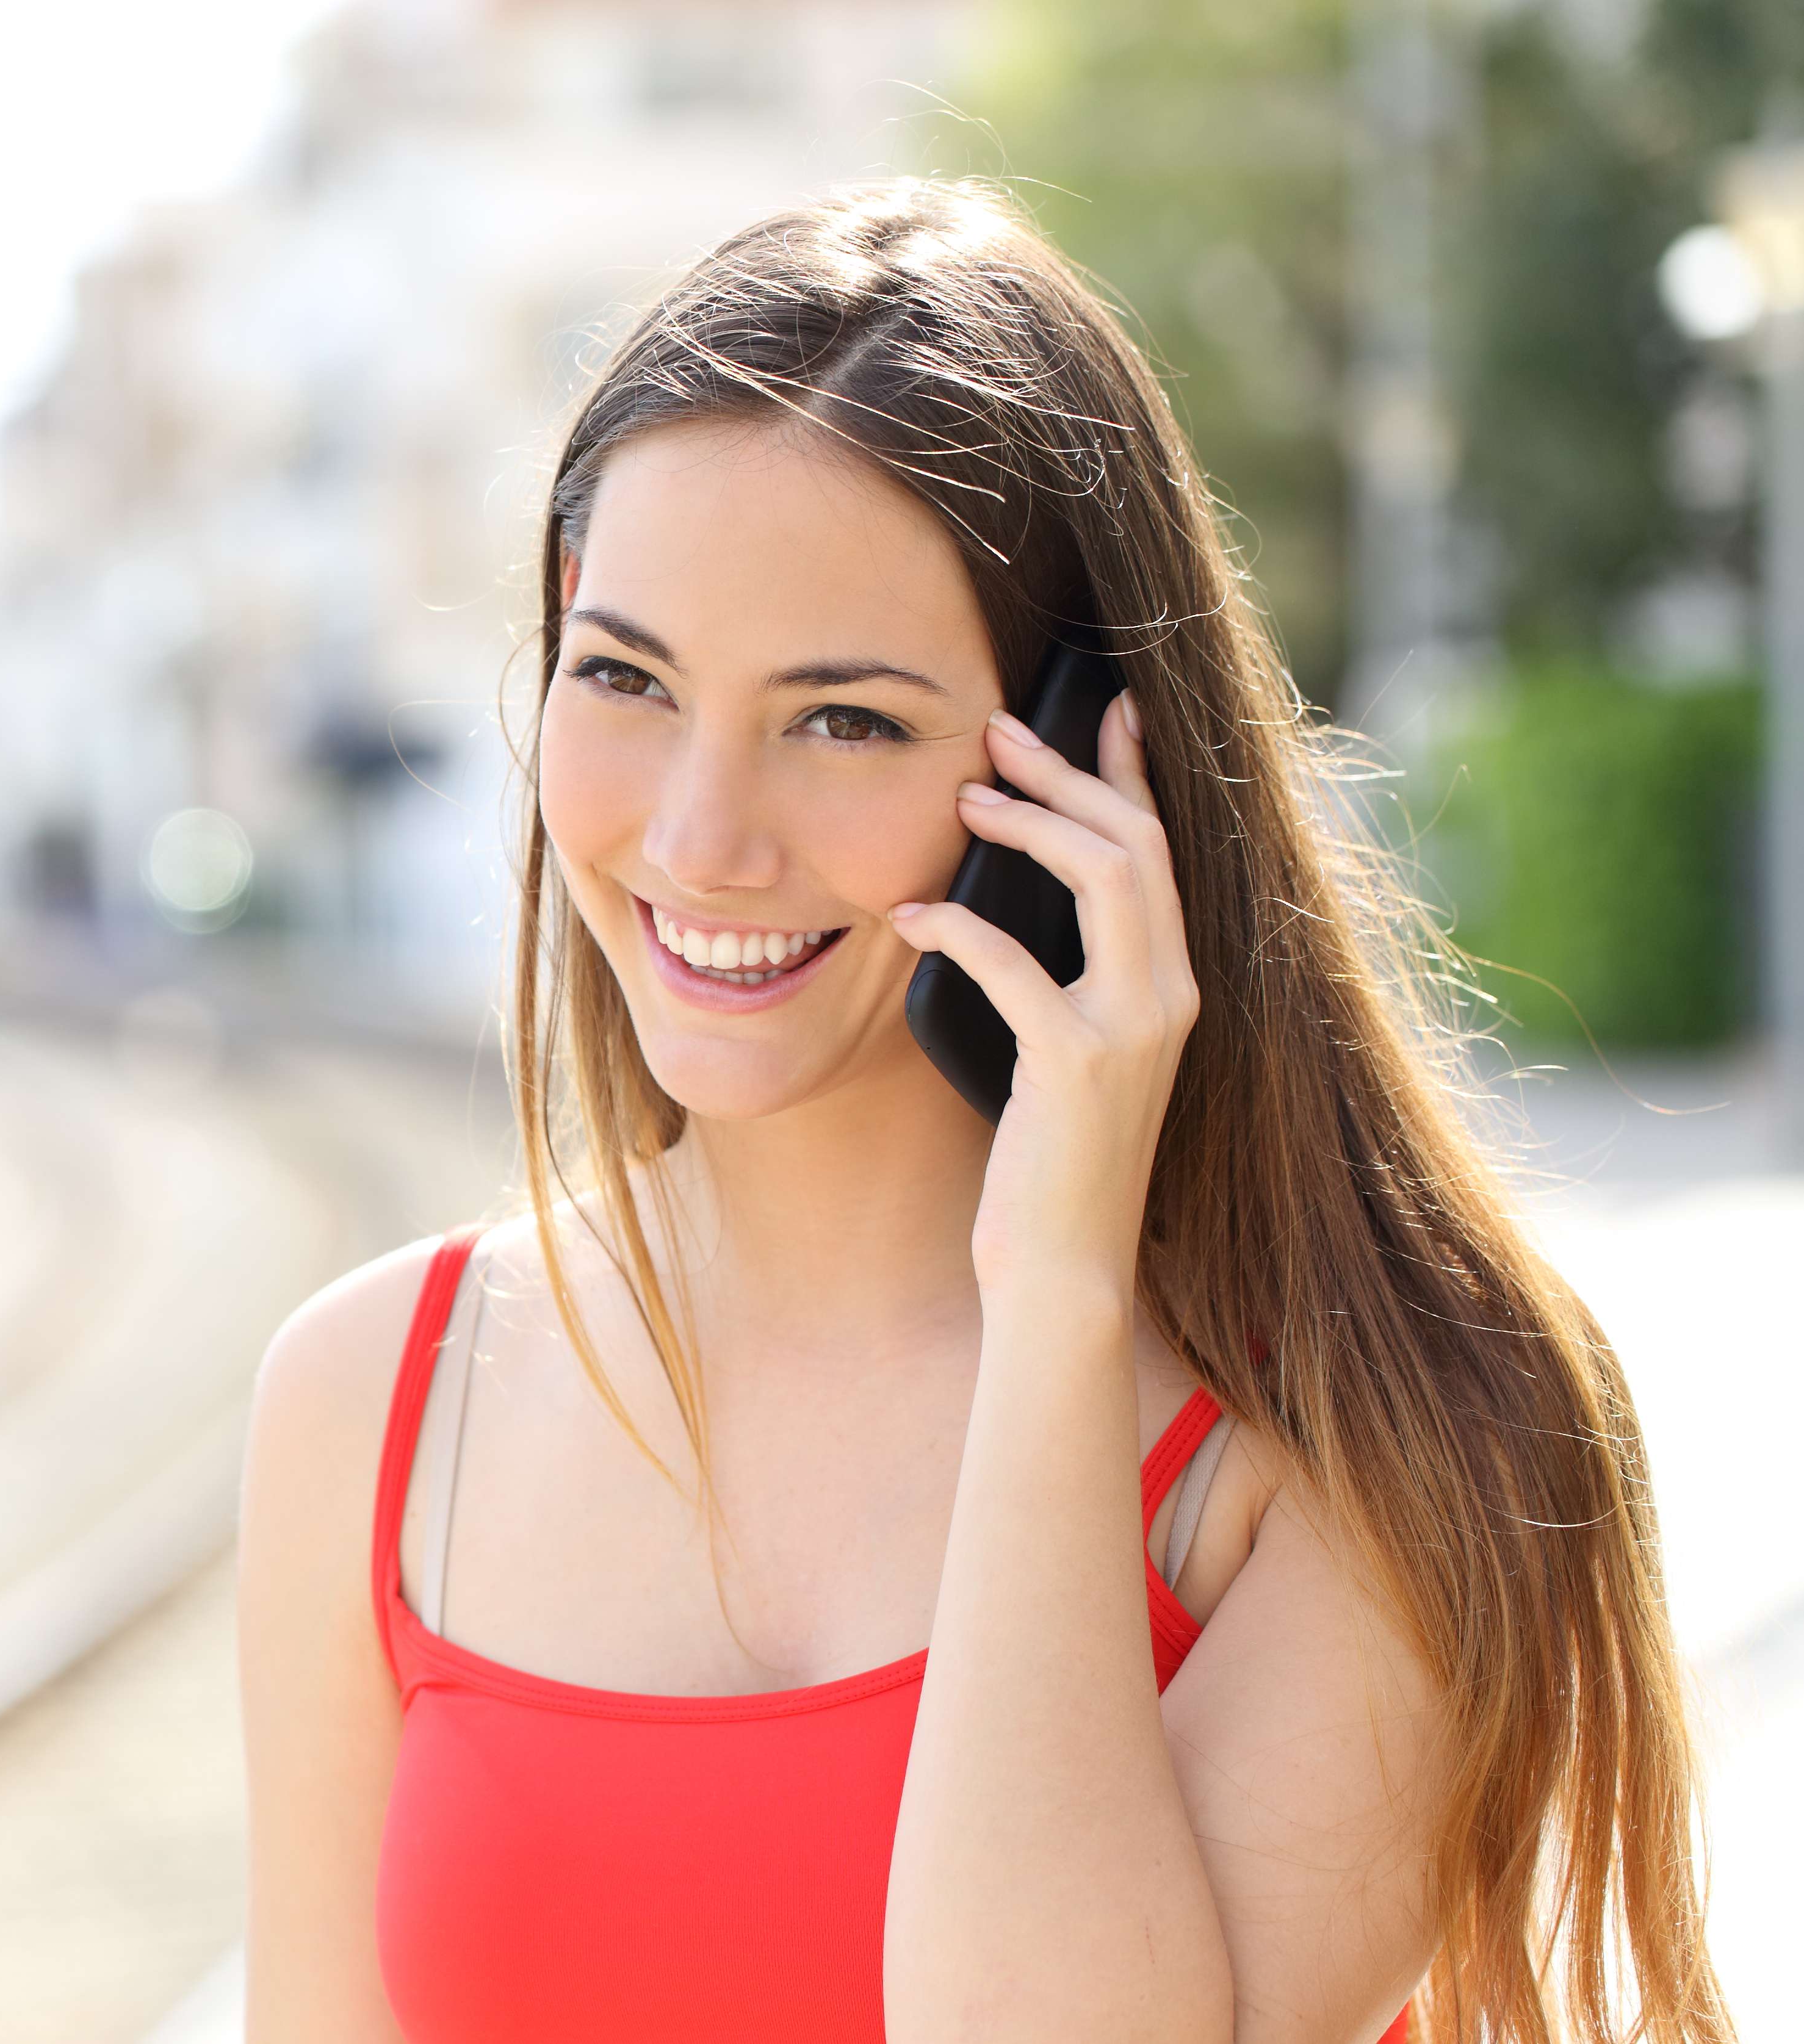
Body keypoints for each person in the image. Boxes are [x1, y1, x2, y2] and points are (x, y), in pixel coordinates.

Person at [235, 178, 1735, 2044]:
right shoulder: (372, 1399)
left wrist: (1052, 1301)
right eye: (625, 678)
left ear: (1086, 759)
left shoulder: (1402, 1433)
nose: (698, 836)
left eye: (841, 719)